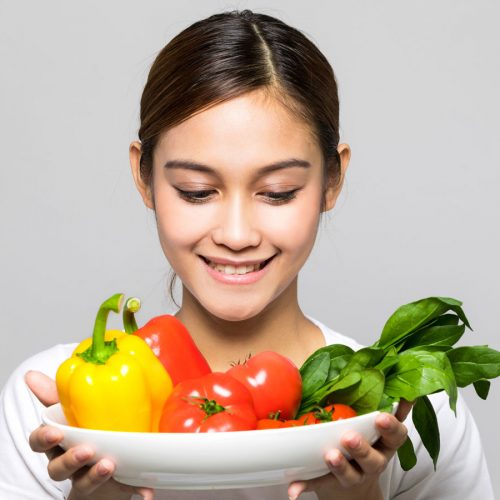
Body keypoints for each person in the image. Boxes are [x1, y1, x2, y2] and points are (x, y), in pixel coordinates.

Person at [0, 9, 494, 500]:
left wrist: (363, 498)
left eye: (278, 192)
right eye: (196, 190)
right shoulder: (49, 412)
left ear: (332, 180)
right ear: (144, 177)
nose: (236, 235)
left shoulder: (410, 411)